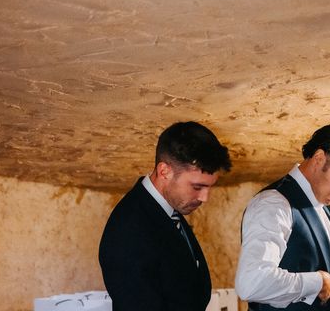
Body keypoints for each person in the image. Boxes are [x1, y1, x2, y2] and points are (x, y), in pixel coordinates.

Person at [235, 119, 330, 310]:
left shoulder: (321, 210)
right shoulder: (274, 204)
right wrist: (315, 282)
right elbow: (252, 282)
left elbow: (327, 273)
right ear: (319, 159)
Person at [99, 121, 232, 311]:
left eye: (210, 187)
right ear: (165, 171)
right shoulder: (129, 228)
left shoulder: (166, 211)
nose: (204, 197)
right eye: (197, 187)